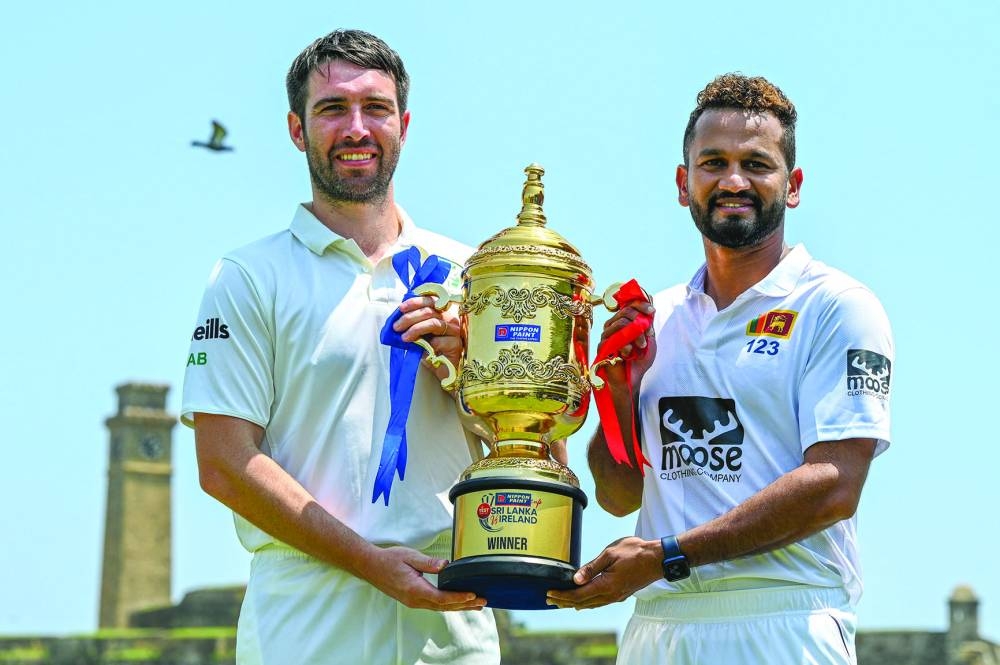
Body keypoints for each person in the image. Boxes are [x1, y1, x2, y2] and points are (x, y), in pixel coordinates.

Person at [547, 73, 893, 665]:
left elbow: (835, 485)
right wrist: (621, 401)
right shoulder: (654, 317)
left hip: (783, 619)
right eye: (713, 163)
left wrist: (668, 554)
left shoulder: (836, 305)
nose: (734, 181)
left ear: (794, 185)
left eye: (757, 164)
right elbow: (617, 494)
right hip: (659, 623)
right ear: (685, 185)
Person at [181, 29, 500, 665]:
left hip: (450, 615)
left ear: (403, 125)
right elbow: (223, 464)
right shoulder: (248, 277)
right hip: (305, 622)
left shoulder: (477, 274)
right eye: (332, 109)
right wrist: (371, 563)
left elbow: (538, 446)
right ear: (298, 130)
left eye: (375, 108)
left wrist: (474, 373)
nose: (357, 128)